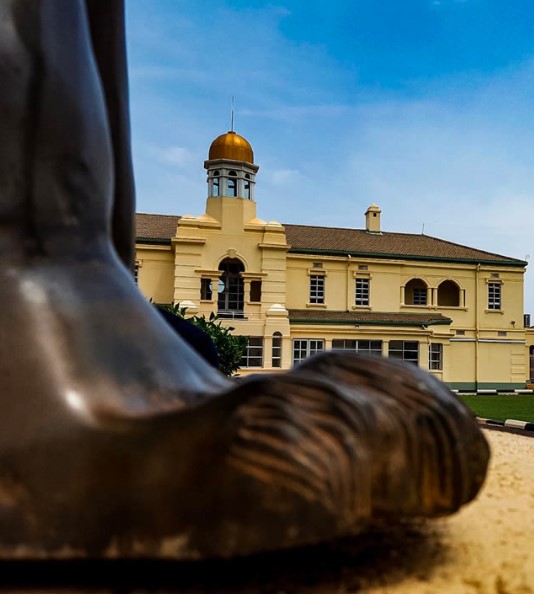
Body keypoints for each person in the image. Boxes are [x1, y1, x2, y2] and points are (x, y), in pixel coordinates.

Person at [0, 0, 488, 558]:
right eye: (229, 177)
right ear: (220, 179)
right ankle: (35, 267)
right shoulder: (194, 230)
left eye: (238, 178)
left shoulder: (266, 237)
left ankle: (72, 266)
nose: (234, 182)